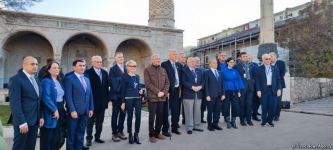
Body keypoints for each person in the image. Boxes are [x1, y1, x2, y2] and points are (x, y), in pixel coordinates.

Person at [9, 56, 44, 150]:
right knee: (19, 147)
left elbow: (38, 100)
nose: (35, 66)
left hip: (34, 120)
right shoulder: (16, 79)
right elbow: (15, 103)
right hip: (23, 121)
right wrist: (22, 122)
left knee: (30, 146)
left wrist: (40, 116)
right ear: (24, 65)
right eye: (32, 64)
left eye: (36, 64)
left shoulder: (36, 79)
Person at [65, 59, 94, 150]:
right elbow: (68, 96)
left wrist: (91, 108)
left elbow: (90, 95)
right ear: (74, 67)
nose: (82, 67)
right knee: (71, 134)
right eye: (80, 65)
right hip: (74, 112)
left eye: (84, 65)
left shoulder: (87, 79)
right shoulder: (69, 79)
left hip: (85, 111)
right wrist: (72, 110)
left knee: (81, 133)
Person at [39, 61, 65, 150]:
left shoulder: (59, 81)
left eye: (58, 68)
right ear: (49, 70)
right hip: (50, 110)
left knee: (56, 137)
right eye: (54, 68)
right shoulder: (46, 81)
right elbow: (46, 98)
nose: (57, 69)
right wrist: (54, 109)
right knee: (47, 137)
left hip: (60, 109)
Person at [144, 54, 170, 143]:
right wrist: (157, 92)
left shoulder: (163, 70)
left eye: (159, 59)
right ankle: (151, 135)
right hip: (153, 98)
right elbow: (148, 83)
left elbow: (167, 83)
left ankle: (157, 133)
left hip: (162, 97)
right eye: (156, 59)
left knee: (160, 116)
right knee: (152, 117)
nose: (158, 60)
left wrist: (163, 92)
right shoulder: (147, 70)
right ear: (152, 60)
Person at [85, 56, 109, 146]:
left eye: (100, 62)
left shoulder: (104, 73)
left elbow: (106, 87)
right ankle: (89, 139)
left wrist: (107, 100)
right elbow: (87, 89)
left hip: (102, 103)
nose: (100, 63)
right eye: (97, 62)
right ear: (92, 62)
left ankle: (98, 137)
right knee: (90, 123)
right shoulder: (88, 73)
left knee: (100, 122)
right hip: (92, 103)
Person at [120, 60, 144, 144]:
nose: (133, 68)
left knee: (138, 116)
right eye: (132, 66)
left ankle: (136, 134)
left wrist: (140, 90)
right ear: (127, 67)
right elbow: (123, 90)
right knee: (129, 117)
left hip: (137, 98)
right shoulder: (124, 77)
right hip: (128, 99)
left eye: (135, 66)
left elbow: (137, 86)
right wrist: (123, 102)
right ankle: (130, 134)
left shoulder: (137, 76)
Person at [256, 54, 282, 127]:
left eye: (269, 59)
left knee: (272, 107)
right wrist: (258, 90)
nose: (268, 60)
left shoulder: (275, 68)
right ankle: (264, 121)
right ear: (263, 60)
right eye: (266, 59)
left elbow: (278, 80)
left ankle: (270, 121)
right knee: (264, 107)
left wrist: (279, 89)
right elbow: (257, 81)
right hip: (263, 90)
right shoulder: (259, 69)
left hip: (273, 90)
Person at [181, 57, 204, 134]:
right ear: (188, 63)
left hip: (198, 93)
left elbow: (203, 81)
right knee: (189, 111)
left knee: (197, 111)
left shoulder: (199, 70)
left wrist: (200, 87)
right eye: (192, 61)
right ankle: (189, 127)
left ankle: (196, 126)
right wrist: (192, 87)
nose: (195, 63)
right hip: (188, 94)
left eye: (195, 61)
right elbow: (183, 81)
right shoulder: (184, 71)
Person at [161, 50, 181, 136]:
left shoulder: (177, 65)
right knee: (166, 111)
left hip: (176, 90)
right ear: (169, 55)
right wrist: (166, 91)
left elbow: (179, 77)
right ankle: (165, 130)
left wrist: (180, 89)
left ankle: (174, 128)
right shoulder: (164, 64)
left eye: (176, 54)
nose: (175, 55)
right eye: (173, 54)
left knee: (176, 110)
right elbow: (163, 78)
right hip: (168, 91)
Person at [109, 52, 127, 142]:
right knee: (115, 115)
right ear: (115, 59)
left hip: (125, 97)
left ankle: (120, 131)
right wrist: (122, 80)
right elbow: (114, 84)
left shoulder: (126, 68)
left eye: (122, 57)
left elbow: (128, 82)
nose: (121, 58)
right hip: (116, 97)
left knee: (123, 114)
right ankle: (114, 133)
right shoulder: (113, 69)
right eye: (119, 57)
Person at [221, 57, 244, 129]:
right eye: (230, 62)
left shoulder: (235, 71)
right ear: (227, 62)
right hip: (226, 90)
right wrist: (222, 93)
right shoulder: (223, 71)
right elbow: (221, 82)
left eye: (233, 62)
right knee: (226, 106)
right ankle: (228, 121)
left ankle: (233, 121)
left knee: (235, 106)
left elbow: (238, 81)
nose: (232, 63)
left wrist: (239, 91)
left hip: (234, 90)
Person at [204, 59, 225, 131]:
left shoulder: (220, 72)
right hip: (211, 96)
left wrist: (223, 94)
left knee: (217, 111)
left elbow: (222, 84)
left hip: (219, 96)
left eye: (216, 63)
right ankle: (209, 125)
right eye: (214, 63)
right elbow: (206, 85)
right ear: (210, 64)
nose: (216, 64)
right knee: (210, 111)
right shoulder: (206, 72)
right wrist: (207, 95)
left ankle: (215, 124)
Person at [234, 52, 255, 126]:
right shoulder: (237, 66)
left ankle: (249, 120)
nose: (245, 57)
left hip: (250, 88)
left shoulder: (250, 65)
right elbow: (236, 78)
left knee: (249, 104)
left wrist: (252, 83)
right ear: (240, 57)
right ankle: (242, 120)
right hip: (242, 88)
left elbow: (252, 76)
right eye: (244, 56)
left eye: (246, 56)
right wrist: (238, 90)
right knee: (242, 104)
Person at [269, 52, 286, 121]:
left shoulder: (281, 63)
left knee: (278, 101)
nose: (270, 58)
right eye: (269, 56)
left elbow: (282, 74)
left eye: (271, 56)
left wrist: (274, 81)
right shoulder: (268, 64)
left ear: (275, 56)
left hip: (279, 85)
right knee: (271, 101)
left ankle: (277, 115)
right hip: (270, 86)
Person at [247, 55, 261, 121]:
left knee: (257, 100)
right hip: (249, 86)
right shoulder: (245, 65)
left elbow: (258, 73)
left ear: (252, 58)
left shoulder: (255, 64)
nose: (249, 59)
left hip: (257, 85)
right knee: (250, 101)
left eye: (250, 58)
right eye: (248, 58)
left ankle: (255, 112)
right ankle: (252, 114)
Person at [176, 52, 186, 125]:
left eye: (184, 57)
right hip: (178, 89)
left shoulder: (186, 66)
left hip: (186, 89)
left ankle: (185, 120)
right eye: (182, 57)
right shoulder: (175, 66)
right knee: (177, 106)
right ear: (178, 58)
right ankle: (176, 122)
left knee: (185, 105)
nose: (184, 58)